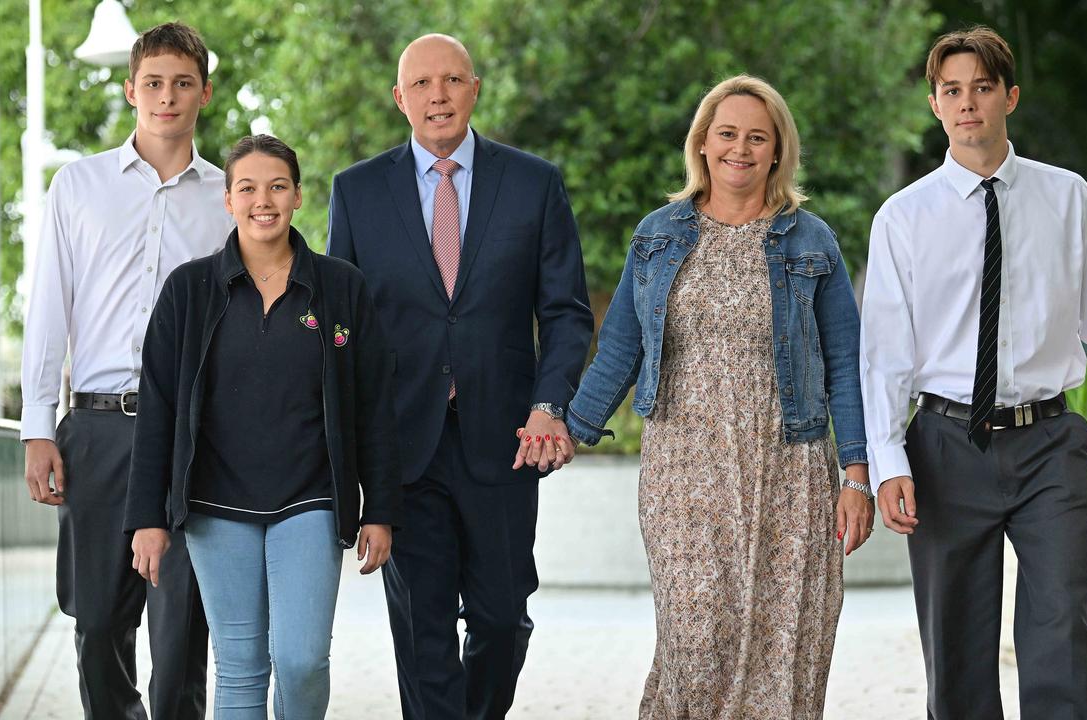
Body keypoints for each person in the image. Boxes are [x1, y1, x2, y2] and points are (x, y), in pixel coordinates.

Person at [860, 26, 1087, 719]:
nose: (967, 103)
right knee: (958, 649)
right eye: (952, 91)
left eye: (982, 88)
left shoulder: (1066, 199)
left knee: (1060, 629)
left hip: (1049, 443)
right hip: (943, 448)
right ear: (935, 105)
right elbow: (884, 357)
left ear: (1010, 97)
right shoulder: (902, 219)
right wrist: (886, 462)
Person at [565, 74, 873, 719]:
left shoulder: (810, 240)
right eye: (727, 133)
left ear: (778, 150)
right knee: (695, 644)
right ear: (702, 143)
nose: (741, 148)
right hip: (684, 470)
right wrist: (568, 429)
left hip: (789, 468)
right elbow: (621, 346)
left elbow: (846, 362)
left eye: (758, 137)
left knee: (779, 648)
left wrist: (857, 473)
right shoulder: (658, 235)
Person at [326, 33, 593, 720]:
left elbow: (564, 313)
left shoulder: (533, 183)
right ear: (399, 99)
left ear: (475, 89)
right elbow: (340, 330)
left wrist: (549, 404)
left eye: (451, 81)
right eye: (421, 84)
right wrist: (349, 446)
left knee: (502, 621)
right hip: (401, 448)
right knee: (423, 635)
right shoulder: (355, 193)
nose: (437, 95)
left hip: (505, 440)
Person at [123, 134, 401, 718]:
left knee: (301, 661)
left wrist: (379, 508)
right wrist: (147, 517)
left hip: (312, 500)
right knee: (241, 669)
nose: (263, 200)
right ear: (227, 200)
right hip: (215, 505)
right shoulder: (187, 291)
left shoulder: (341, 288)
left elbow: (373, 404)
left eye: (277, 186)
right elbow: (159, 411)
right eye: (247, 188)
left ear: (298, 196)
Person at [19, 22, 224, 719]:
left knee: (181, 636)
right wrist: (37, 427)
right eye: (155, 82)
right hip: (99, 431)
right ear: (132, 88)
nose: (167, 96)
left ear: (204, 91)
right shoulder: (76, 186)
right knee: (99, 622)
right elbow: (48, 311)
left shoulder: (229, 201)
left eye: (183, 82)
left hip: (193, 440)